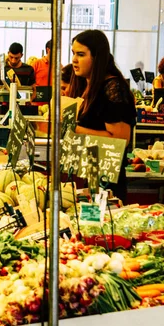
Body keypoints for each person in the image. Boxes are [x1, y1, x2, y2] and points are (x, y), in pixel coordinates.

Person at [65, 29, 136, 203]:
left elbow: (120, 139)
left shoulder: (112, 88)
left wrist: (75, 129)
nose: (74, 59)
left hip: (108, 178)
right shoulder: (88, 84)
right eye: (73, 53)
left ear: (97, 57)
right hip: (93, 170)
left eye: (81, 54)